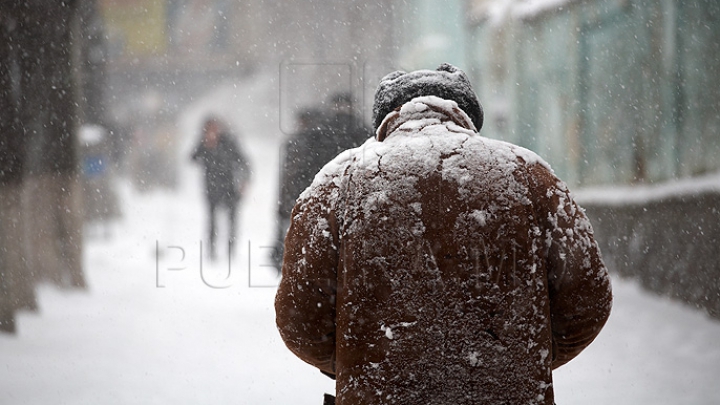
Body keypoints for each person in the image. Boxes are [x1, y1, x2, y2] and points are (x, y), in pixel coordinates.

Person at [275, 64, 612, 404]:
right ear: (468, 117)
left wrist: (365, 361)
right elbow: (587, 301)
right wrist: (512, 361)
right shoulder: (530, 175)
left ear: (384, 121)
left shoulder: (338, 182)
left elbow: (300, 320)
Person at [191, 116, 250, 260]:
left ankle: (231, 251)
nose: (213, 131)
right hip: (211, 188)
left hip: (230, 188)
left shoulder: (229, 141)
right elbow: (192, 158)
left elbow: (243, 161)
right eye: (209, 128)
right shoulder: (203, 143)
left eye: (215, 127)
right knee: (211, 221)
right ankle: (211, 251)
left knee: (232, 220)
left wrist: (244, 181)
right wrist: (206, 145)